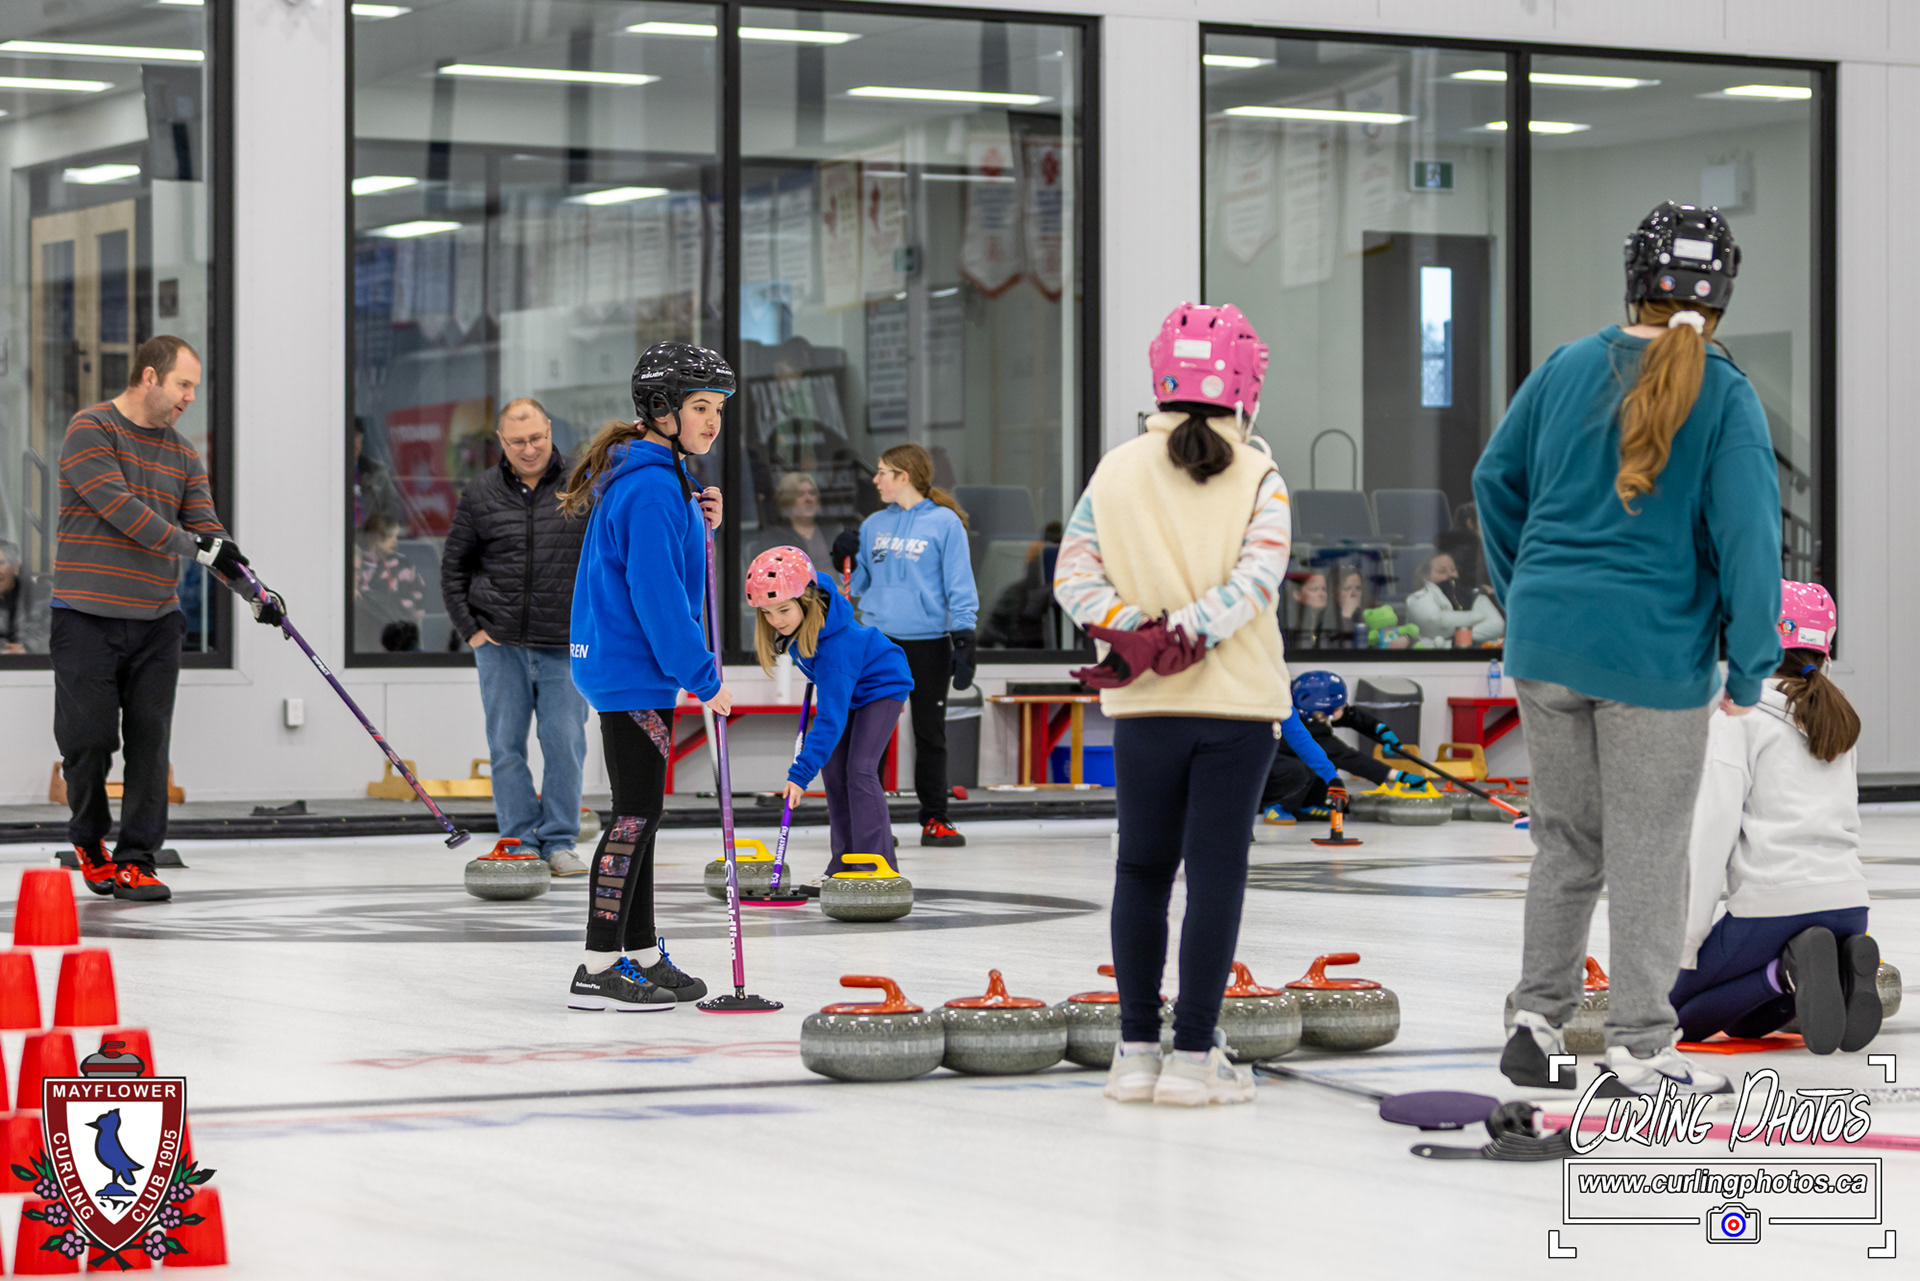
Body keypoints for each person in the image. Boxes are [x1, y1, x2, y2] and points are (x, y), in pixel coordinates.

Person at [1474, 201, 1782, 1098]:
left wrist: (1525, 593)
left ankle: (1536, 1025)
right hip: (1652, 653)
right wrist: (1752, 661)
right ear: (1722, 295)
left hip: (1546, 642)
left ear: (1632, 280)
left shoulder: (1566, 365)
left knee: (1566, 842)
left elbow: (1495, 480)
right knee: (1650, 849)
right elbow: (1750, 539)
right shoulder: (1725, 392)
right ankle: (1640, 1048)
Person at [1053, 301, 1292, 1107]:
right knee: (1215, 876)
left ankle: (1134, 1054)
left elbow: (1072, 574)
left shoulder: (1116, 470)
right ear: (1245, 383)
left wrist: (1137, 634)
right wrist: (1189, 632)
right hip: (1238, 708)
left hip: (1145, 706)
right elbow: (1260, 576)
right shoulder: (1259, 473)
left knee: (1142, 869)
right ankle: (1193, 1055)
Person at [51, 335, 282, 903]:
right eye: (183, 384)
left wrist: (252, 588)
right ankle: (89, 840)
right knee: (88, 741)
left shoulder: (182, 453)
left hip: (157, 620)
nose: (190, 398)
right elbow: (124, 512)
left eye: (195, 388)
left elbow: (208, 528)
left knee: (150, 745)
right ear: (150, 377)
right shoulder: (91, 429)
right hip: (85, 616)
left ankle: (137, 860)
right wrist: (199, 548)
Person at [561, 342, 730, 1013]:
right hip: (634, 667)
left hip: (633, 667)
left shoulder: (664, 480)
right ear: (662, 410)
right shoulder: (655, 487)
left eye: (717, 408)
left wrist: (703, 522)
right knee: (635, 815)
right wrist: (703, 675)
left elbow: (671, 568)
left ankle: (641, 950)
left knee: (643, 814)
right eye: (700, 406)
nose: (712, 420)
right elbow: (658, 597)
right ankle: (598, 963)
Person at [1670, 582, 1878, 1054]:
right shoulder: (1839, 719)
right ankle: (1833, 967)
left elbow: (1710, 837)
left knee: (1671, 1013)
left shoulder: (1737, 719)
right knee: (1744, 1025)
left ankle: (1785, 973)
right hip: (1850, 906)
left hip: (1772, 910)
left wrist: (1686, 944)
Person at [442, 397, 590, 877]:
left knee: (564, 744)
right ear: (501, 442)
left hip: (565, 646)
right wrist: (471, 630)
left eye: (537, 438)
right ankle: (519, 840)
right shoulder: (480, 493)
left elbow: (605, 559)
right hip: (500, 645)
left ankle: (560, 841)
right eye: (517, 442)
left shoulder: (583, 484)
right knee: (505, 747)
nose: (529, 449)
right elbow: (453, 569)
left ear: (549, 429)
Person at [747, 546, 913, 884]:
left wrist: (799, 774)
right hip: (850, 686)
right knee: (835, 773)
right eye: (767, 613)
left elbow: (830, 720)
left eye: (783, 610)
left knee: (860, 769)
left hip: (882, 686)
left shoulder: (835, 648)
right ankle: (843, 864)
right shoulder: (803, 626)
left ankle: (875, 868)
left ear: (806, 601)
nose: (776, 621)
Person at [844, 442, 979, 847]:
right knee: (873, 735)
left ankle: (935, 818)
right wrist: (845, 558)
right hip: (879, 641)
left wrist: (964, 636)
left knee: (930, 733)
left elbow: (959, 583)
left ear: (903, 476)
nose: (875, 480)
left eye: (882, 472)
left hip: (929, 643)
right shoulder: (873, 525)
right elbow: (859, 585)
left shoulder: (945, 523)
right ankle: (871, 822)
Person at [1260, 670, 1424, 822]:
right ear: (1318, 713)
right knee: (1309, 766)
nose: (1343, 709)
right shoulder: (1309, 731)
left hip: (1287, 761)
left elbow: (1351, 716)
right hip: (1274, 771)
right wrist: (1400, 776)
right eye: (1337, 707)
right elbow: (1349, 758)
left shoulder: (1307, 707)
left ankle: (1309, 804)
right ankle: (1278, 806)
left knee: (1324, 766)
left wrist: (1380, 730)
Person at [353, 514, 426, 651]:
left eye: (396, 536)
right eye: (388, 536)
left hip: (400, 630)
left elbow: (418, 598)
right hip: (368, 633)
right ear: (372, 537)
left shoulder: (403, 565)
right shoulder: (358, 563)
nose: (394, 541)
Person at [1402, 551, 1505, 644]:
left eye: (1453, 569)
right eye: (1442, 571)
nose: (1450, 574)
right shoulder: (1418, 597)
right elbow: (1435, 622)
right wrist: (1477, 616)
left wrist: (1456, 640)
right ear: (1426, 577)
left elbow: (1497, 626)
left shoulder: (1474, 596)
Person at [754, 471, 841, 572]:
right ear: (788, 501)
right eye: (800, 494)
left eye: (812, 493)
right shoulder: (775, 535)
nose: (808, 499)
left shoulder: (832, 529)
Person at [1, 539, 50, 655]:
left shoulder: (40, 600)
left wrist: (28, 649)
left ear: (15, 568)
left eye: (0, 563)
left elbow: (52, 638)